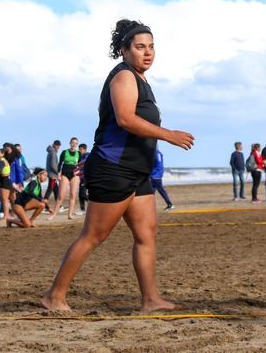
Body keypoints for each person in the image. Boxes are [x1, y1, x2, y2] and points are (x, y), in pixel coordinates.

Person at [41, 19, 194, 311]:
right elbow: (125, 119)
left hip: (137, 172)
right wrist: (168, 135)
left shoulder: (141, 78)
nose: (147, 52)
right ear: (124, 50)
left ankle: (151, 299)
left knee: (147, 233)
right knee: (94, 235)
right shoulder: (124, 77)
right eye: (140, 47)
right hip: (113, 169)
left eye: (151, 47)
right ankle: (54, 296)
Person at [48, 137, 81, 220]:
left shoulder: (78, 153)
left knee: (73, 195)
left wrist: (78, 172)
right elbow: (60, 163)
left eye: (76, 143)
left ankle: (70, 215)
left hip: (74, 175)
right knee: (61, 196)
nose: (74, 144)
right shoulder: (64, 152)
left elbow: (80, 165)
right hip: (65, 174)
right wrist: (58, 174)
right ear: (70, 143)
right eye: (73, 143)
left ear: (77, 145)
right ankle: (54, 215)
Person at [43, 140, 61, 214]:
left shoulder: (51, 151)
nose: (59, 148)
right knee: (49, 190)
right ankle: (44, 206)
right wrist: (58, 172)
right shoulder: (53, 152)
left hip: (51, 174)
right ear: (55, 145)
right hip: (53, 175)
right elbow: (53, 165)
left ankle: (59, 206)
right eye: (58, 146)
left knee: (56, 190)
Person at [76, 143, 89, 215]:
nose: (79, 151)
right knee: (80, 194)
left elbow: (85, 164)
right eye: (79, 149)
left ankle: (92, 203)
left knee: (83, 194)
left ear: (84, 149)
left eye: (80, 149)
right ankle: (82, 210)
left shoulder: (87, 155)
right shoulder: (81, 156)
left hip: (86, 177)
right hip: (81, 178)